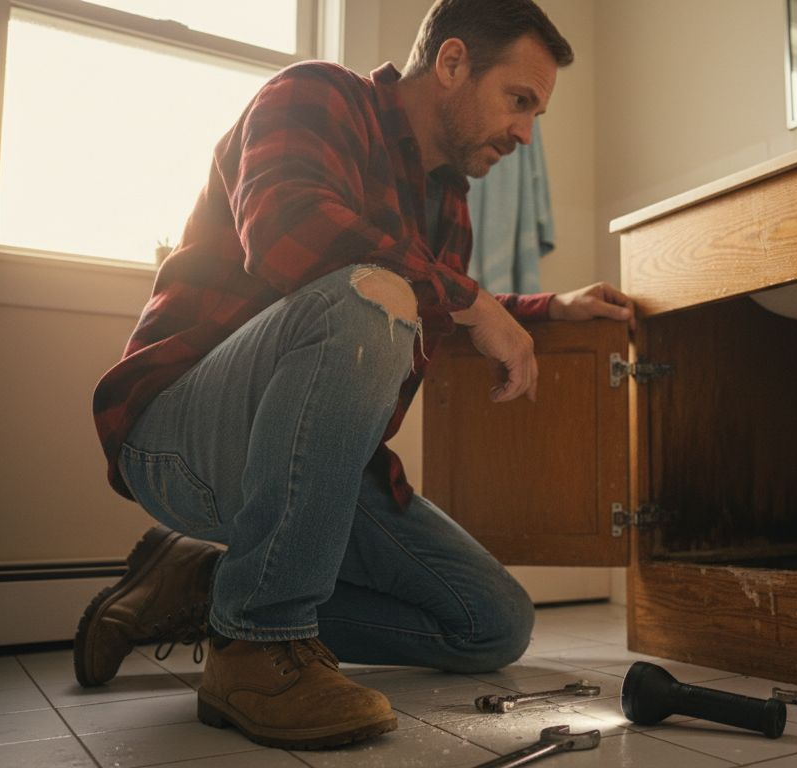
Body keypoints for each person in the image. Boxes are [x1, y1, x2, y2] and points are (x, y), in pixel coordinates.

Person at [78, 0, 633, 750]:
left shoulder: (448, 204)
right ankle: (259, 639)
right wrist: (469, 299)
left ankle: (206, 586)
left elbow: (442, 311)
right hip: (177, 434)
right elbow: (288, 233)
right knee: (366, 294)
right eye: (520, 101)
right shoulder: (316, 95)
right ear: (452, 62)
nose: (525, 134)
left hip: (315, 456)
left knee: (492, 623)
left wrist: (544, 307)